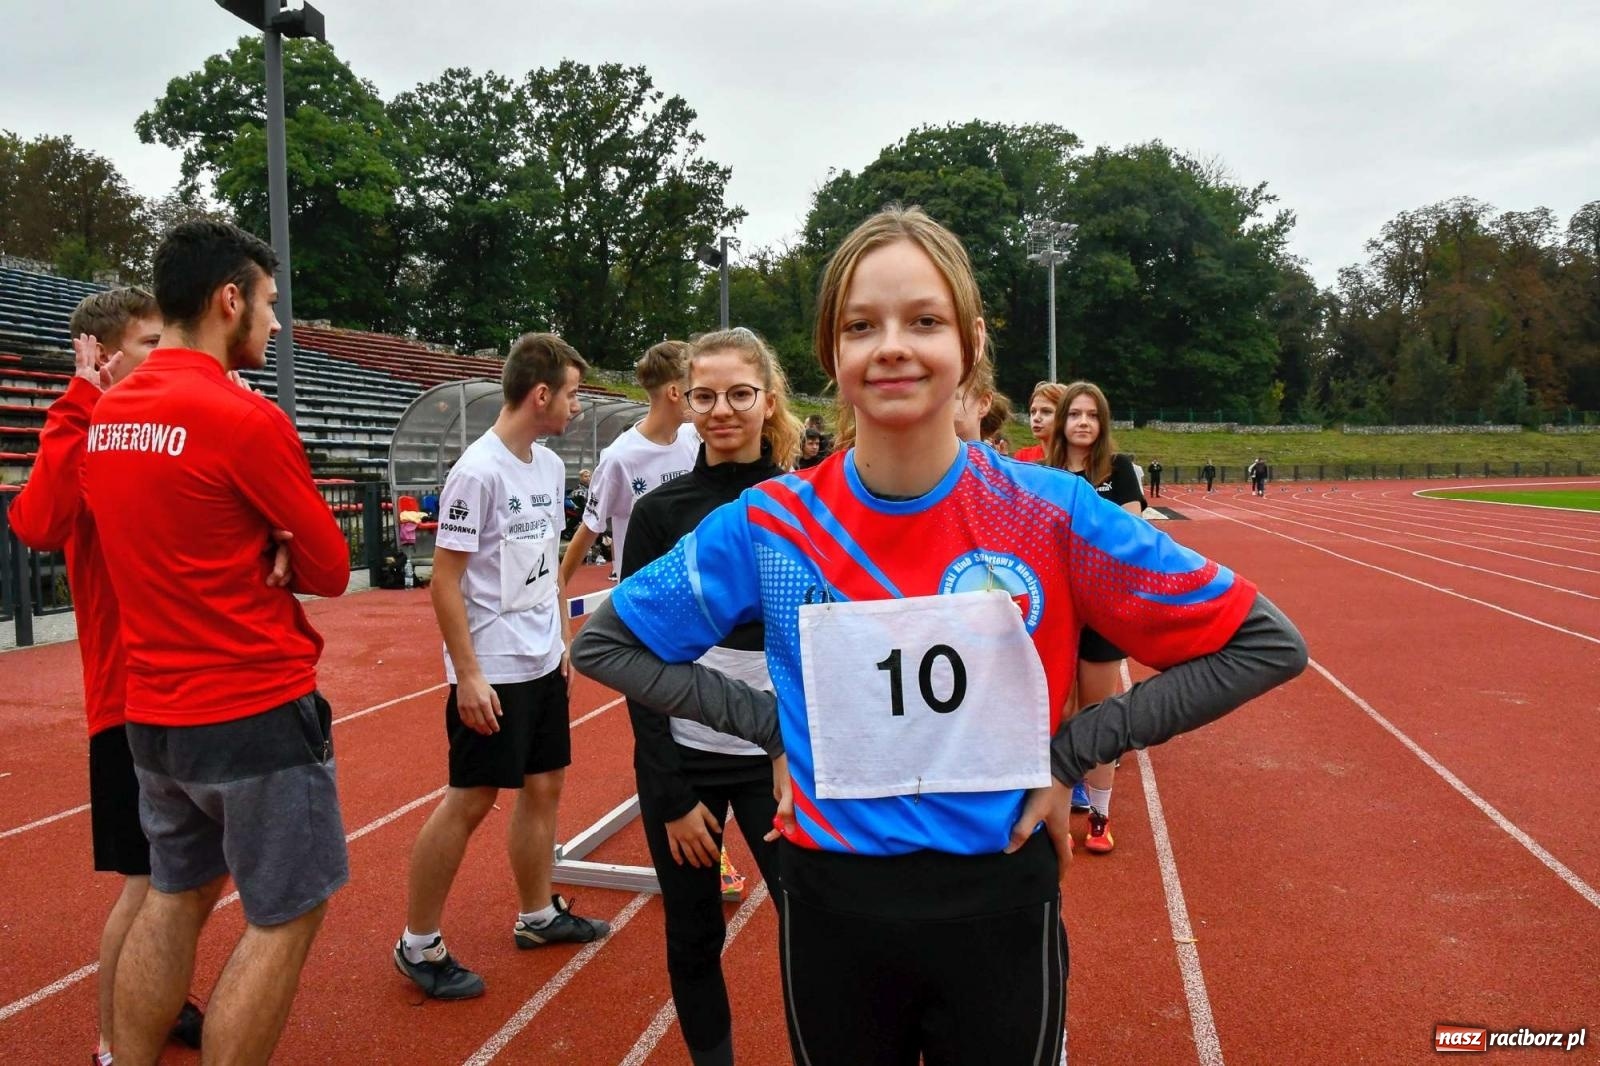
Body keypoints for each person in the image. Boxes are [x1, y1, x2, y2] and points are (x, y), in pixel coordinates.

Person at [573, 205, 1306, 1064]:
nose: (892, 345)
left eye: (923, 320)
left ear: (968, 343)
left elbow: (1266, 644)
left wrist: (1069, 755)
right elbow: (602, 642)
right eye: (861, 325)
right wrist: (779, 729)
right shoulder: (770, 525)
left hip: (997, 892)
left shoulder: (1054, 514)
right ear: (830, 355)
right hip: (832, 903)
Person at [82, 220, 353, 1066]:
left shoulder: (109, 411)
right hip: (253, 709)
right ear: (228, 299)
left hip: (151, 712)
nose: (275, 326)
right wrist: (275, 536)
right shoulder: (240, 415)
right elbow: (333, 566)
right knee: (285, 915)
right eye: (269, 305)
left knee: (173, 893)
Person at [8, 289, 210, 1065]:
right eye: (150, 341)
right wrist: (77, 402)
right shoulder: (89, 431)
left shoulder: (158, 431)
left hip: (191, 690)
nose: (166, 353)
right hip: (127, 702)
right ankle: (112, 1041)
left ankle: (160, 998)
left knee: (187, 878)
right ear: (104, 354)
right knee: (148, 882)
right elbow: (37, 522)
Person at [394, 332, 610, 1001]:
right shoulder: (477, 472)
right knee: (472, 798)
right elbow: (443, 581)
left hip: (542, 659)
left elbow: (544, 565)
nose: (577, 406)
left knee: (545, 788)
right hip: (492, 668)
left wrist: (562, 644)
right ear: (540, 394)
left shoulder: (545, 468)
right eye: (572, 394)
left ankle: (537, 913)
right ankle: (418, 941)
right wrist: (469, 674)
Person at [622, 327, 801, 1066]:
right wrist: (668, 795)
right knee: (694, 935)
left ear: (768, 400)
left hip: (779, 761)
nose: (721, 410)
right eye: (705, 396)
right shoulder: (661, 512)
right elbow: (634, 655)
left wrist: (798, 753)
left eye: (739, 394)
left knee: (815, 924)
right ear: (685, 403)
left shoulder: (802, 500)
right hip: (686, 763)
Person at [1044, 381, 1147, 854]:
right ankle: (1057, 815)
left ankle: (1101, 817)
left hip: (1102, 607)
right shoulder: (1046, 474)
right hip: (1059, 610)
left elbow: (1129, 534)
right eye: (1075, 414)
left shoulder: (1119, 469)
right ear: (1063, 421)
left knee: (1097, 714)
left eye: (1092, 415)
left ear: (1102, 423)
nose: (1083, 422)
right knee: (1057, 715)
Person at [559, 341, 697, 584]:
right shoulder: (619, 458)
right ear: (675, 392)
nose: (702, 396)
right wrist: (557, 602)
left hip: (691, 595)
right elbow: (588, 531)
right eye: (695, 388)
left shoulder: (695, 439)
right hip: (644, 600)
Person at [1013, 380, 1065, 462]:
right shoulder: (1023, 457)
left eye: (1046, 412)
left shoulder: (1079, 459)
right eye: (1033, 412)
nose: (1036, 418)